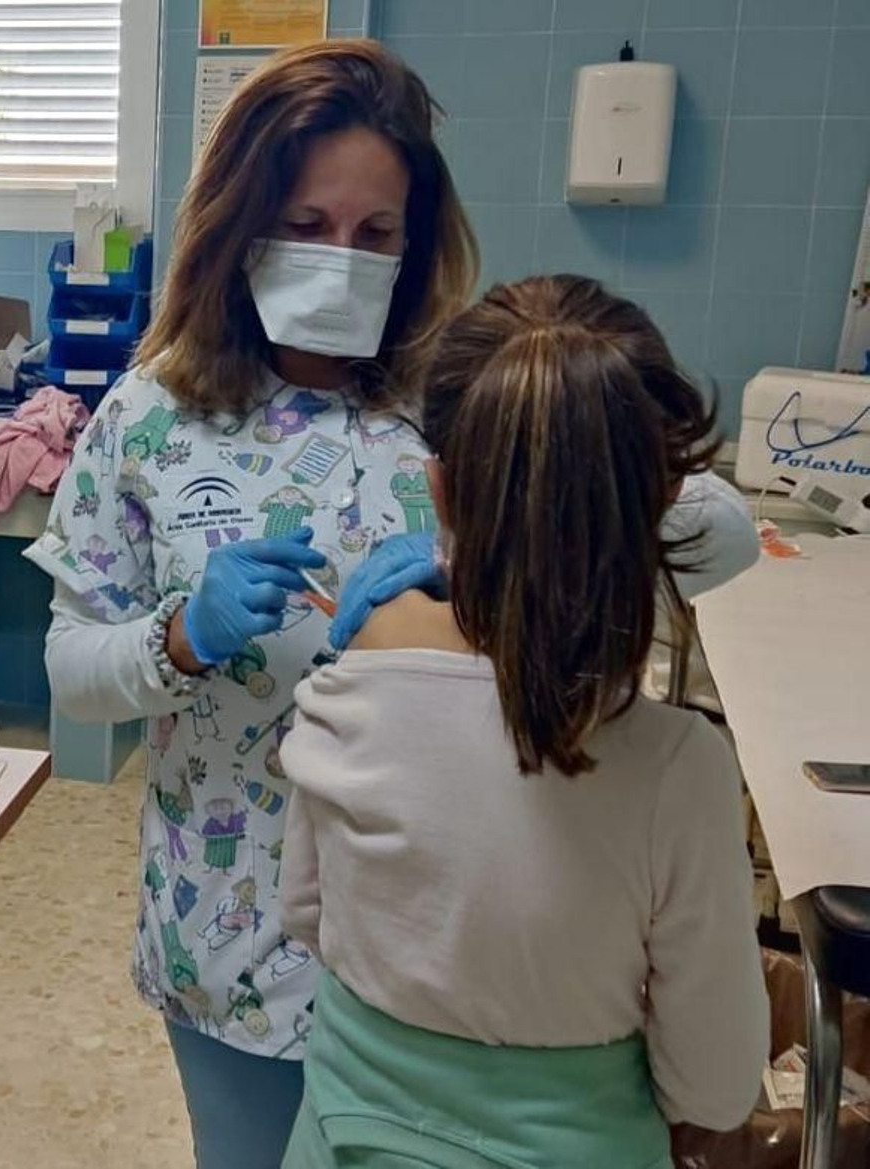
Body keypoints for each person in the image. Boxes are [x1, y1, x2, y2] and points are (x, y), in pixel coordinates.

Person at [24, 40, 759, 1169]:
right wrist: (182, 636)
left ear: (417, 243)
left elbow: (719, 531)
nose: (341, 258)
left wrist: (497, 539)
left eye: (376, 234)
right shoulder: (149, 418)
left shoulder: (470, 394)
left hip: (470, 955)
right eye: (309, 226)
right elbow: (71, 670)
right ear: (237, 226)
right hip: (235, 921)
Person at [278, 276, 768, 1168]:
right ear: (659, 503)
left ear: (438, 489)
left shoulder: (341, 698)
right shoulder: (675, 770)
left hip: (344, 1139)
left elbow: (306, 914)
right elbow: (716, 1084)